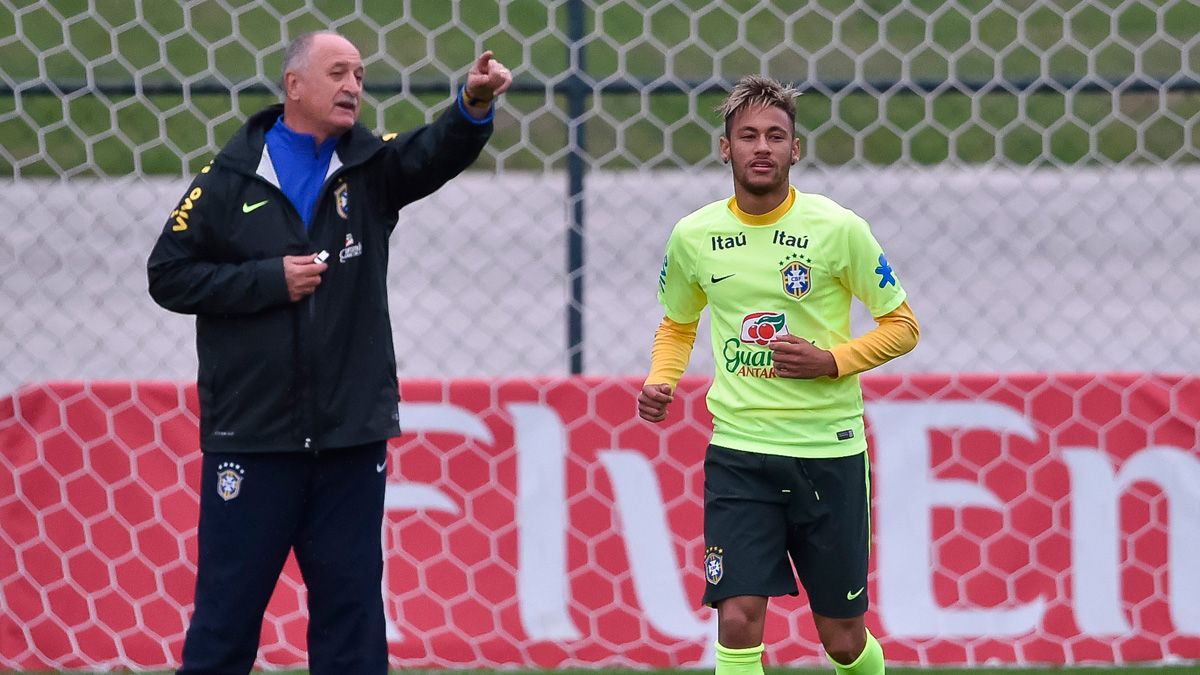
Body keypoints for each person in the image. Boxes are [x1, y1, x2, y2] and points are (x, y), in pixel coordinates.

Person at [147, 31, 511, 674]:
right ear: (294, 86)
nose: (352, 87)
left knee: (351, 621)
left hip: (349, 439)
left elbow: (431, 152)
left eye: (360, 75)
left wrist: (471, 106)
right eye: (338, 72)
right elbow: (168, 274)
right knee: (225, 621)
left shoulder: (370, 169)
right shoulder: (227, 179)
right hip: (252, 437)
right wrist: (267, 280)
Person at [638, 75, 919, 675]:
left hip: (828, 452)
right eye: (747, 136)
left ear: (795, 150)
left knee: (842, 640)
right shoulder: (695, 236)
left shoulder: (839, 230)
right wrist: (662, 379)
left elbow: (903, 326)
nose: (761, 147)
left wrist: (831, 361)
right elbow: (677, 324)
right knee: (737, 618)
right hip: (739, 453)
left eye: (774, 135)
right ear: (725, 149)